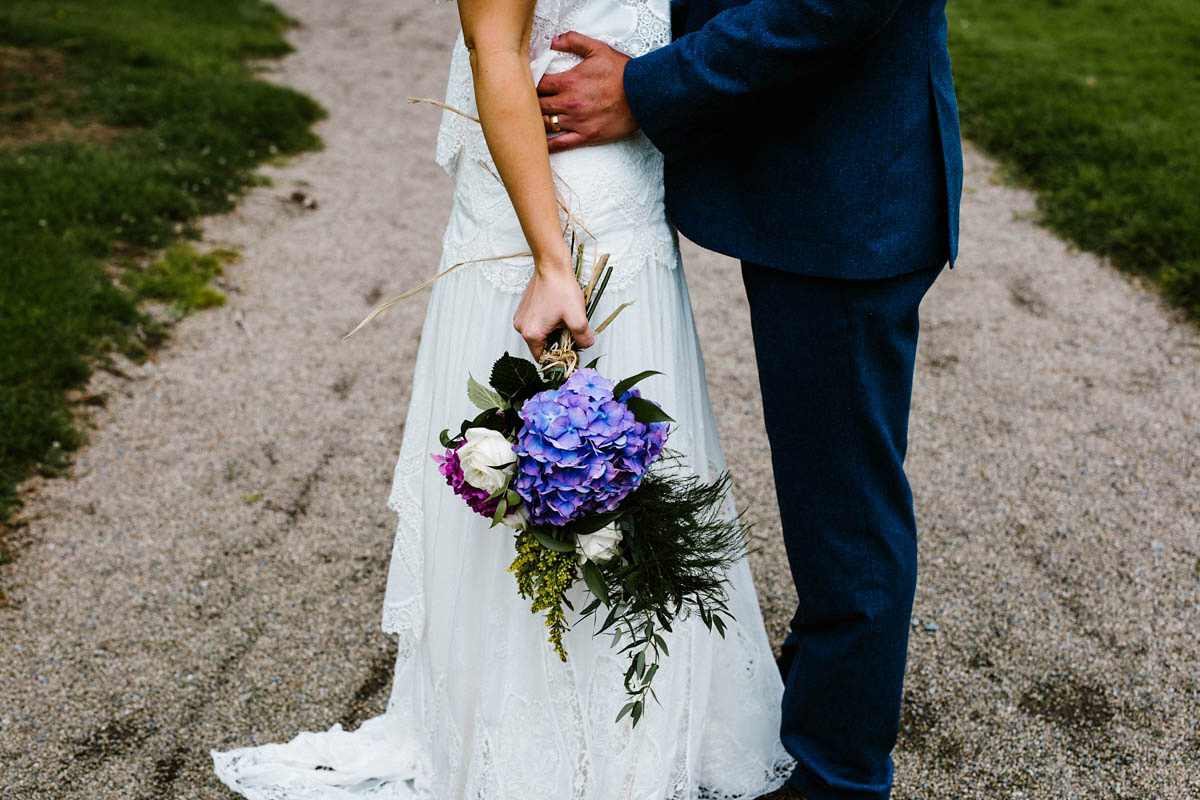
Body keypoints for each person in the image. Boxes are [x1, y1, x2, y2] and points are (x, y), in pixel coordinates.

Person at [211, 0, 796, 797]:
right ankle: (522, 746)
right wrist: (551, 258)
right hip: (543, 195)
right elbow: (495, 45)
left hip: (626, 181)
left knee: (635, 464)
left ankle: (653, 727)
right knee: (539, 473)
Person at [534, 1, 964, 798]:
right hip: (819, 172)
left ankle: (841, 777)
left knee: (846, 512)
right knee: (834, 496)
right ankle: (821, 702)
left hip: (850, 189)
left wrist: (651, 86)